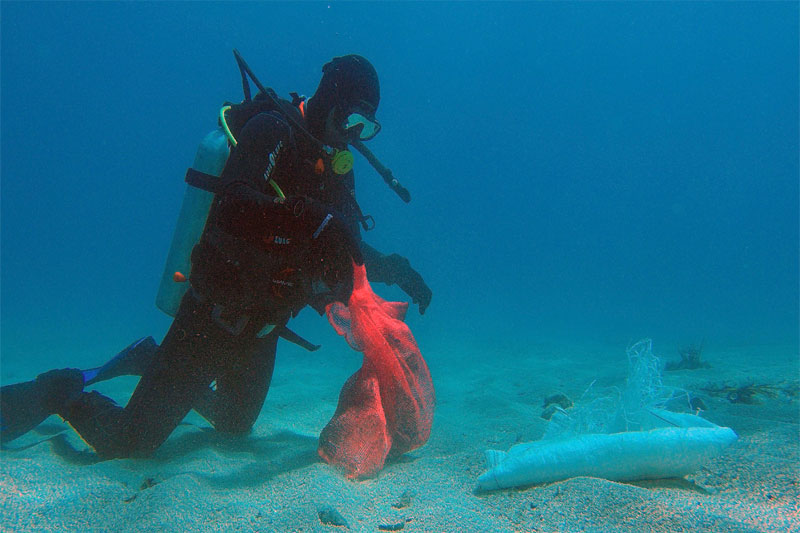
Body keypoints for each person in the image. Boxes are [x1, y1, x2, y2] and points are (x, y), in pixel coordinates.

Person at [0, 53, 431, 458]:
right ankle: (62, 391)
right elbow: (234, 201)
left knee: (234, 422)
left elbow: (343, 243)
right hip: (211, 319)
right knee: (130, 442)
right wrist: (304, 213)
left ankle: (147, 358)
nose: (354, 134)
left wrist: (396, 269)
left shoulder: (336, 164)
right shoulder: (272, 130)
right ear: (330, 99)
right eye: (352, 117)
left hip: (264, 327)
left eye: (366, 126)